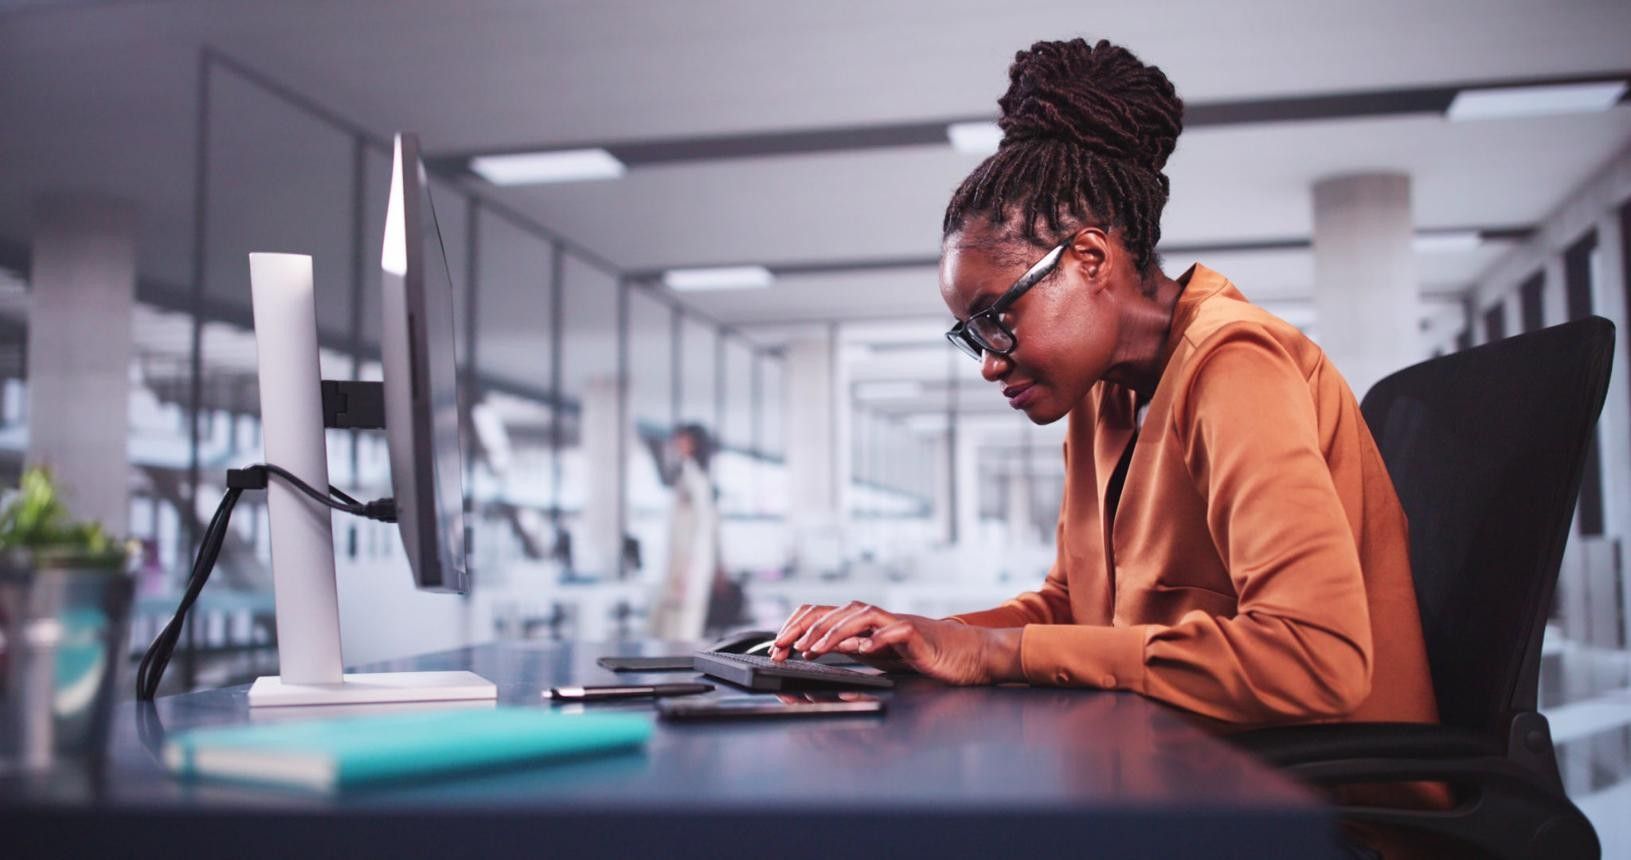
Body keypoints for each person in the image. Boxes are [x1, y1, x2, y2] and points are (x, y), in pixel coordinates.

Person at [770, 37, 1443, 857]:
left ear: (1088, 259)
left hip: (1320, 810)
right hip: (1190, 775)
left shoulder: (1237, 364)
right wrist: (916, 637)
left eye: (997, 317)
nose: (987, 361)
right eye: (969, 333)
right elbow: (1071, 607)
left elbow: (1312, 659)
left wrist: (997, 653)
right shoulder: (1104, 394)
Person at [648, 424, 721, 641]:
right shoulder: (686, 474)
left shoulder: (695, 476)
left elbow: (702, 527)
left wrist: (689, 569)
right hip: (683, 562)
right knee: (673, 621)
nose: (677, 445)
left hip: (689, 564)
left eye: (683, 440)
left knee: (683, 625)